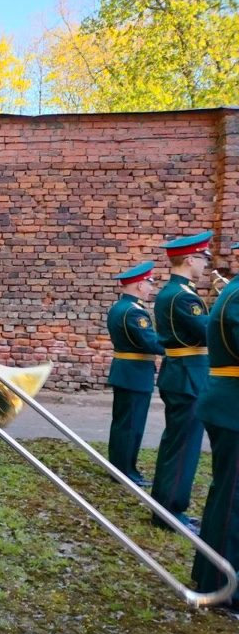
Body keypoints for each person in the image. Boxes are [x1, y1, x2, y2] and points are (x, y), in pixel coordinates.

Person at [151, 231, 213, 532]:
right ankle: (170, 511)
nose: (206, 266)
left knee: (176, 443)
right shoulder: (183, 296)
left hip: (182, 372)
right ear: (189, 259)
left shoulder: (173, 292)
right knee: (184, 447)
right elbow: (208, 333)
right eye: (203, 258)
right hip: (188, 374)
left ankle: (164, 506)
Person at [192, 240, 239, 614]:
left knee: (227, 493)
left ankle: (211, 573)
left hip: (226, 400)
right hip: (231, 403)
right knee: (233, 499)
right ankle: (224, 585)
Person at [106, 261, 164, 487]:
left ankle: (119, 467)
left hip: (127, 372)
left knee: (123, 424)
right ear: (140, 285)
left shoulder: (120, 307)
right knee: (131, 425)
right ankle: (124, 471)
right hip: (135, 374)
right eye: (150, 283)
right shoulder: (134, 312)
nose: (151, 288)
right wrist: (177, 344)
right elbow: (150, 342)